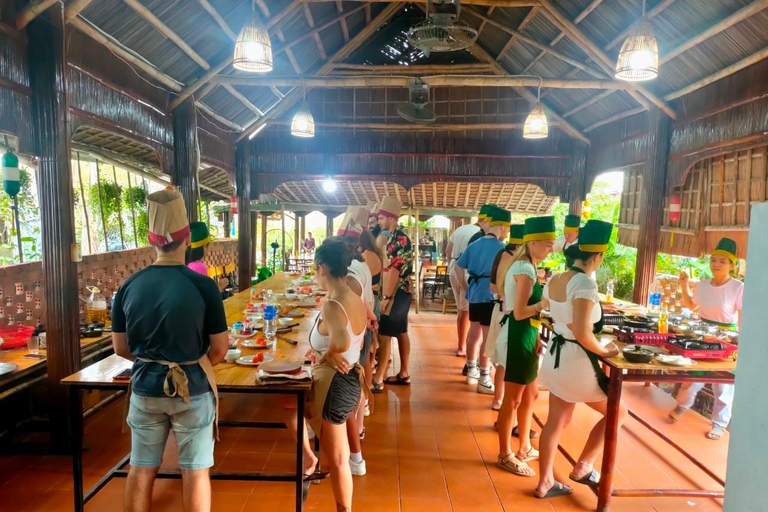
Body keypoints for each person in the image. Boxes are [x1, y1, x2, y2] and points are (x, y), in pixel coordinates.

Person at [112, 189, 229, 512]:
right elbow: (219, 349)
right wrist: (186, 362)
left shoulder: (128, 286)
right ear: (188, 238)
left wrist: (156, 361)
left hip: (145, 388)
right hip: (193, 390)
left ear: (151, 240)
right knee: (194, 472)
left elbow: (121, 348)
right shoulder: (203, 286)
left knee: (140, 468)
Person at [535, 220, 623, 498]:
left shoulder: (556, 278)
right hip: (577, 362)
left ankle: (545, 481)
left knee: (555, 420)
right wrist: (605, 351)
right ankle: (584, 465)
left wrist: (573, 328)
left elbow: (556, 315)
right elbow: (584, 332)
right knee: (618, 412)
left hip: (557, 358)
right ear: (597, 256)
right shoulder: (584, 283)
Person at [305, 238, 367, 512]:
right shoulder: (352, 296)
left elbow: (341, 341)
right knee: (340, 459)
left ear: (322, 268)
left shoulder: (332, 306)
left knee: (340, 460)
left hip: (335, 383)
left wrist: (329, 353)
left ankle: (310, 460)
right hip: (350, 379)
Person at [495, 216, 554, 477]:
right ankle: (505, 453)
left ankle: (525, 446)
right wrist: (545, 303)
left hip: (526, 334)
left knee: (531, 394)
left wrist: (537, 337)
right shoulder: (525, 270)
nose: (551, 249)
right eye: (548, 244)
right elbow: (520, 312)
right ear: (533, 243)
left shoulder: (526, 264)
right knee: (514, 397)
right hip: (518, 334)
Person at [669, 237, 743, 440]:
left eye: (722, 261)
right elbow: (692, 307)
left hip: (725, 339)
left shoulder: (737, 287)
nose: (716, 264)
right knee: (693, 375)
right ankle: (682, 405)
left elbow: (742, 316)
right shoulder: (702, 285)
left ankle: (719, 423)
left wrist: (741, 342)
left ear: (731, 265)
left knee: (723, 383)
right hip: (701, 335)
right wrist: (684, 286)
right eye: (714, 260)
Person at [455, 206, 511, 395]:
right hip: (490, 296)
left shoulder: (475, 244)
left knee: (474, 333)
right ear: (503, 227)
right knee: (488, 338)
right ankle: (484, 378)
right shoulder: (502, 249)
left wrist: (465, 287)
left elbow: (458, 266)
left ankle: (471, 371)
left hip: (475, 293)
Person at [372, 196, 413, 391]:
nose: (379, 222)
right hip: (399, 291)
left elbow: (396, 269)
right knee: (401, 330)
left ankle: (378, 378)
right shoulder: (393, 236)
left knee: (385, 332)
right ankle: (404, 373)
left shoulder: (399, 238)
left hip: (396, 291)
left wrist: (386, 297)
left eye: (381, 218)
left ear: (390, 218)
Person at [484, 224, 524, 410]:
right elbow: (497, 287)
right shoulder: (509, 257)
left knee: (504, 360)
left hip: (505, 310)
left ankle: (500, 399)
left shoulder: (509, 255)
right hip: (505, 311)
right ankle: (500, 399)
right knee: (504, 360)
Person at [446, 205, 491, 359]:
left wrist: (450, 264)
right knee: (466, 312)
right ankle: (461, 347)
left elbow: (448, 251)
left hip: (454, 268)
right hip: (468, 272)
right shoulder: (480, 235)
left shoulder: (461, 229)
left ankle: (461, 344)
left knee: (461, 310)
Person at [186, 221, 230, 299]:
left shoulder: (187, 264)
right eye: (207, 246)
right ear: (204, 247)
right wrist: (219, 287)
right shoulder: (199, 267)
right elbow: (204, 297)